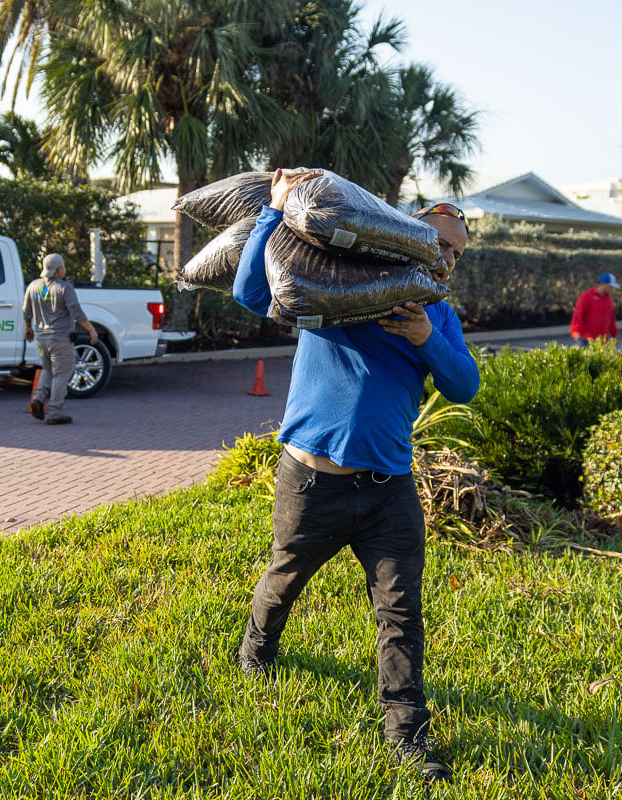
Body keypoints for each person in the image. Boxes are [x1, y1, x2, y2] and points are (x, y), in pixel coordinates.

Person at [231, 169, 480, 782]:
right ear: (406, 232)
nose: (446, 257)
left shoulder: (436, 314)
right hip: (311, 482)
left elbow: (465, 385)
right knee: (283, 577)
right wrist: (274, 210)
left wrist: (425, 338)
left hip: (388, 489)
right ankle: (255, 653)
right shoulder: (338, 280)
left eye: (456, 252)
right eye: (439, 241)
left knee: (400, 613)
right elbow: (251, 295)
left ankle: (407, 735)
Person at [23, 253, 98, 425]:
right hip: (60, 339)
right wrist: (91, 330)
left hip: (41, 338)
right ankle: (55, 412)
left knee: (48, 369)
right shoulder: (64, 288)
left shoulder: (33, 286)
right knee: (61, 374)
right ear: (58, 270)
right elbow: (76, 312)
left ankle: (39, 399)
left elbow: (26, 311)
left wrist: (28, 328)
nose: (64, 269)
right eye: (63, 267)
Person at [569, 273, 620, 342]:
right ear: (603, 285)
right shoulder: (586, 296)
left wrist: (614, 334)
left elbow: (610, 318)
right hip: (586, 340)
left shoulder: (608, 299)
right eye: (610, 287)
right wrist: (575, 332)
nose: (612, 289)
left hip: (603, 341)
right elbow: (578, 316)